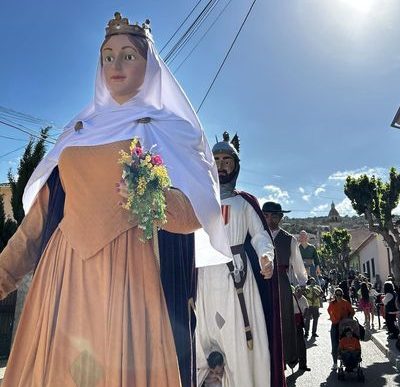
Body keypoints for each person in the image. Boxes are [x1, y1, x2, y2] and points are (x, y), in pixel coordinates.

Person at [0, 12, 234, 386]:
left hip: (131, 280)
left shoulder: (173, 129)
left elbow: (197, 213)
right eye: (108, 56)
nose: (116, 65)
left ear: (150, 65)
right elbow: (38, 224)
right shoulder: (77, 131)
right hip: (62, 279)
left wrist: (153, 199)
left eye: (128, 55)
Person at [196, 133, 285, 387]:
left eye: (227, 160)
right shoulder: (198, 199)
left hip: (236, 278)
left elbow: (259, 236)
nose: (221, 165)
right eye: (216, 159)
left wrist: (266, 256)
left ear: (235, 166)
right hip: (202, 277)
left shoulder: (244, 202)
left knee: (237, 342)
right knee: (203, 336)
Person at [262, 201, 308, 369]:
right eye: (266, 215)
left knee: (284, 322)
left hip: (281, 284)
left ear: (280, 217)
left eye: (274, 215)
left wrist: (301, 284)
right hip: (260, 283)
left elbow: (298, 265)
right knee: (261, 319)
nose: (269, 219)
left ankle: (284, 359)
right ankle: (264, 361)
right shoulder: (256, 236)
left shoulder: (289, 239)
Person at [328, 288, 355, 370]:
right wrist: (333, 319)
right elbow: (329, 311)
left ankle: (348, 360)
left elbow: (352, 311)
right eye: (337, 295)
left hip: (344, 326)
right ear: (335, 295)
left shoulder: (346, 303)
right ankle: (335, 363)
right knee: (334, 344)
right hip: (335, 325)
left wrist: (348, 318)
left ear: (342, 295)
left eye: (340, 295)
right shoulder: (332, 303)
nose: (338, 296)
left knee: (345, 342)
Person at [292, 285, 310, 371]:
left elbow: (306, 309)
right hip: (290, 323)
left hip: (299, 323)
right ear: (295, 291)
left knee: (301, 345)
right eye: (298, 291)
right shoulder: (291, 297)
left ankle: (303, 365)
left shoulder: (303, 299)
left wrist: (304, 318)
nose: (299, 293)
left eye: (301, 291)